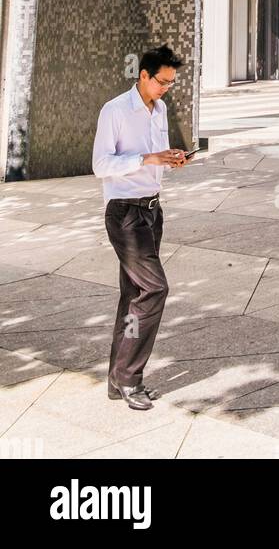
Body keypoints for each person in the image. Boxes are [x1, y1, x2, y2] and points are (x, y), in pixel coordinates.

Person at [92, 44, 189, 411]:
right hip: (124, 213)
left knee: (133, 296)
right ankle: (130, 378)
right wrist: (147, 158)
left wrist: (170, 159)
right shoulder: (115, 110)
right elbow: (101, 164)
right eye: (162, 81)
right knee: (155, 288)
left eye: (171, 83)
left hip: (152, 211)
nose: (166, 88)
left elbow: (156, 155)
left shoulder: (160, 108)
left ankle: (117, 380)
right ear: (143, 76)